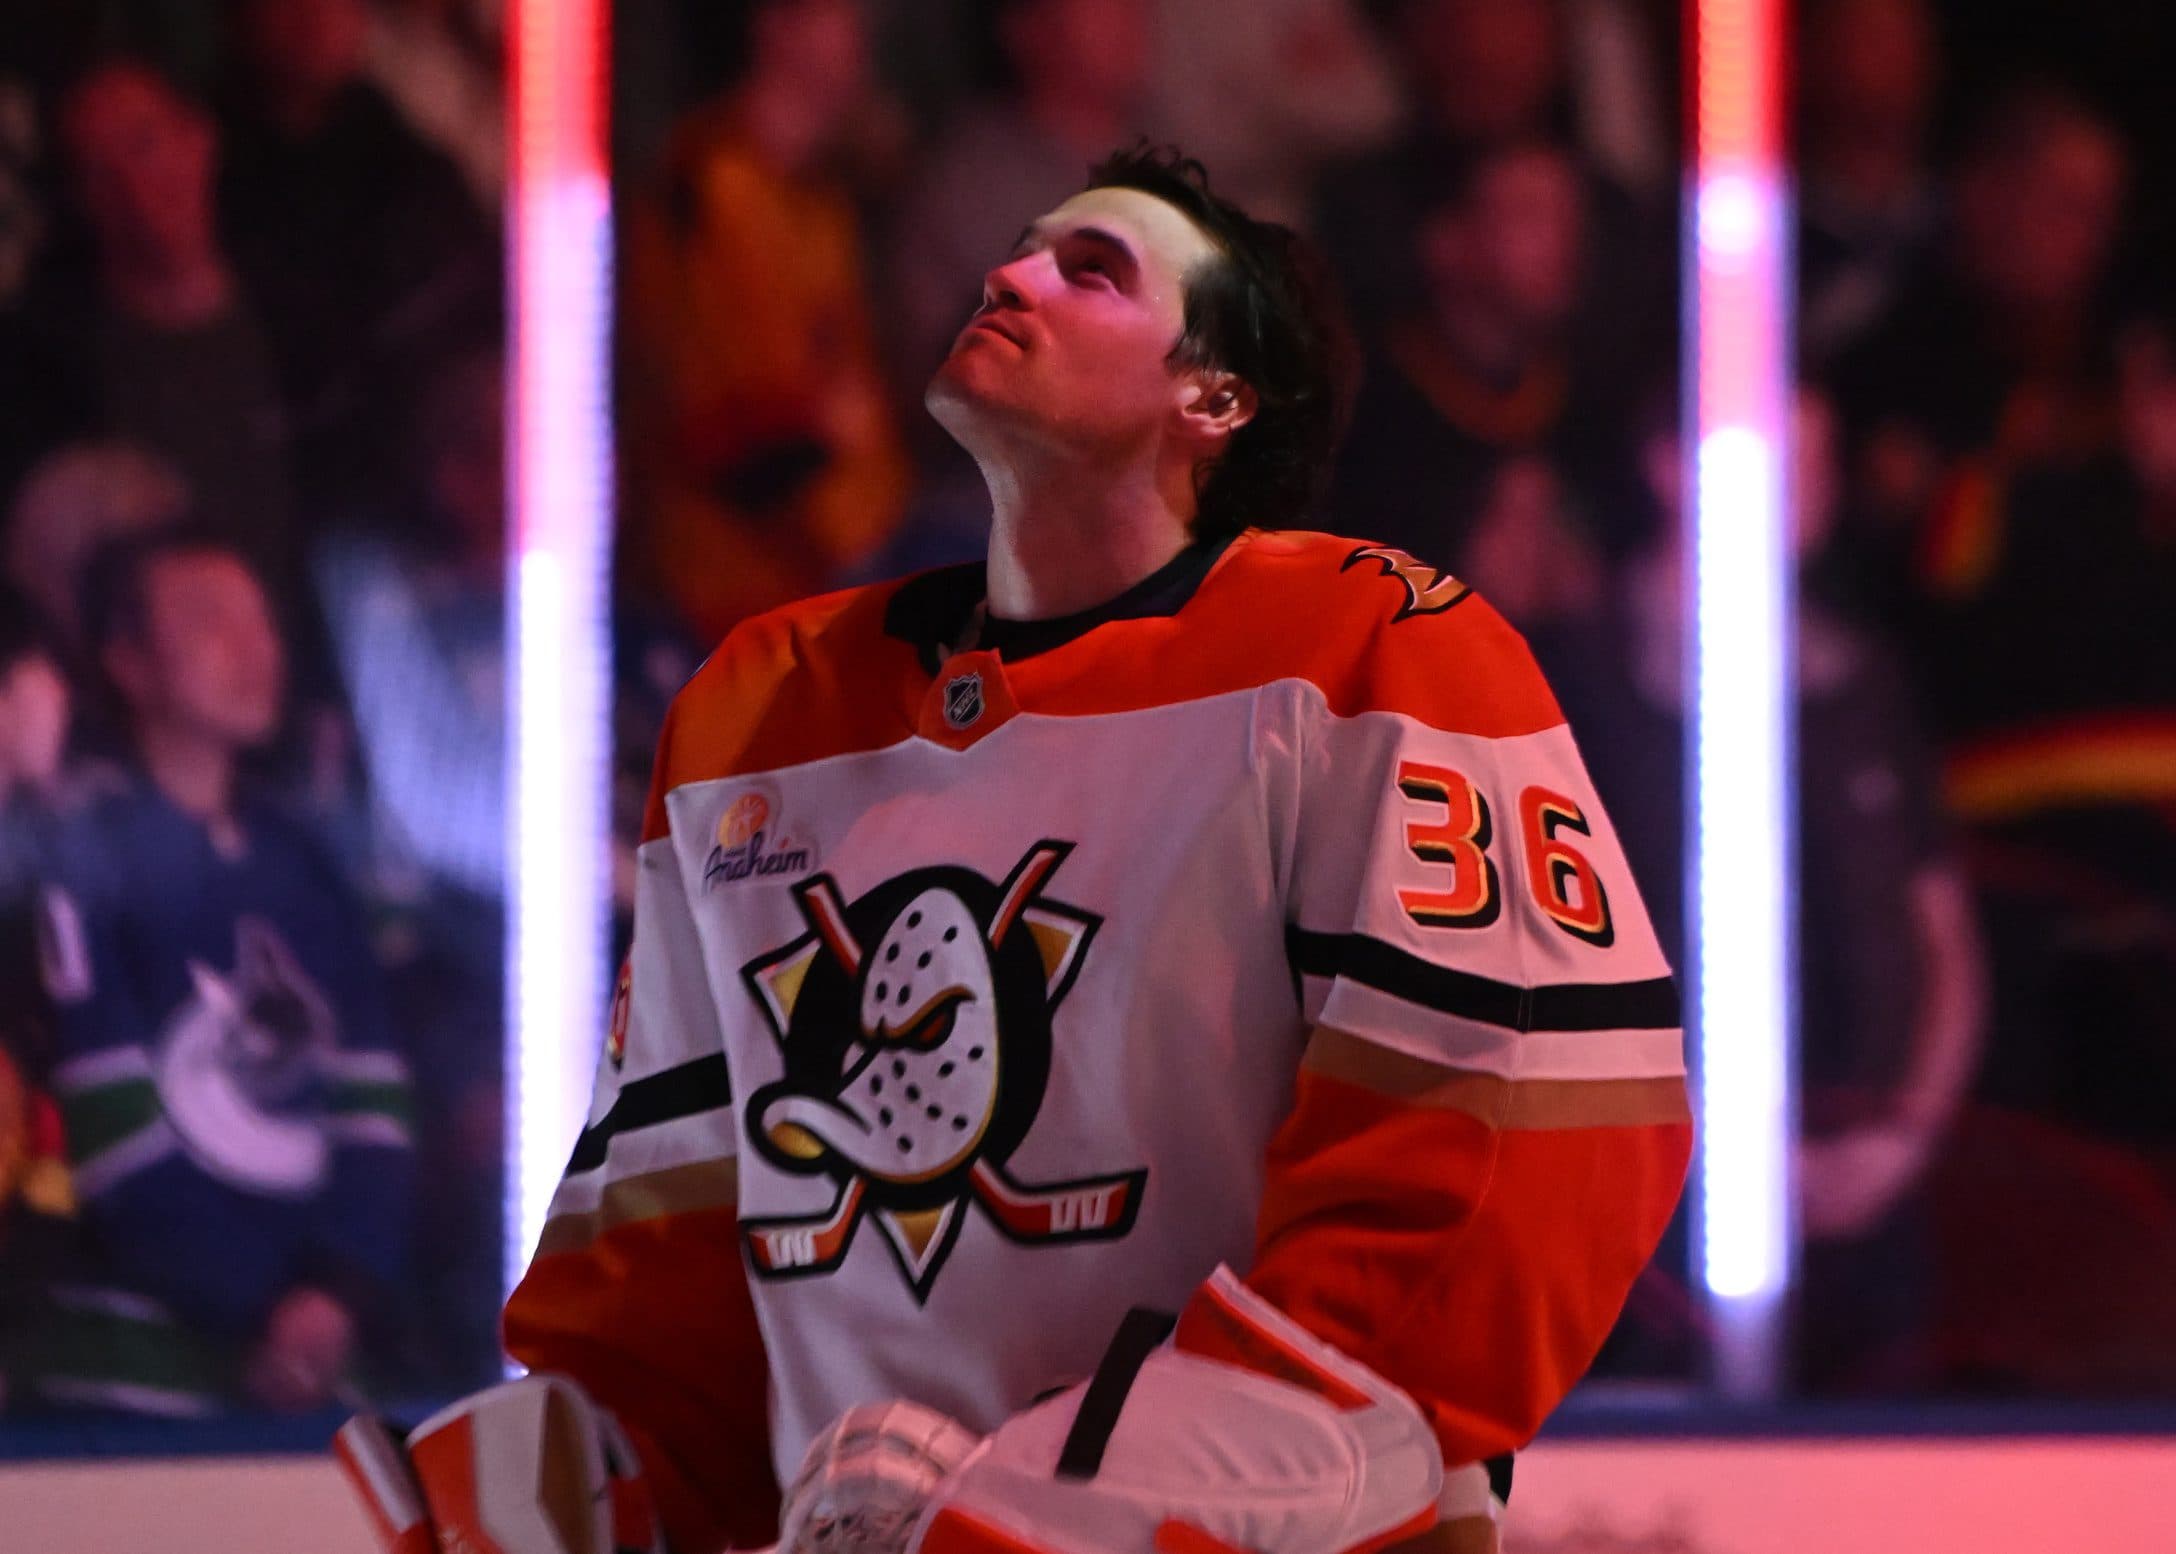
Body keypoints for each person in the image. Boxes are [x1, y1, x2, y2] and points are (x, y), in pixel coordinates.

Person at [341, 147, 1688, 1554]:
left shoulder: (1379, 656)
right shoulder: (761, 711)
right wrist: (576, 1487)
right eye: (1023, 247)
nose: (1010, 272)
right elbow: (673, 1275)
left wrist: (1076, 1510)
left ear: (1213, 395)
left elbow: (1510, 1178)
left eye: (1090, 267)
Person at [33, 529, 415, 1414]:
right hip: (129, 1375)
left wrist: (334, 1294)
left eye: (263, 624)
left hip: (312, 1373)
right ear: (129, 662)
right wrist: (263, 1314)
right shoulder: (83, 848)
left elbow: (373, 1106)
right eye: (211, 623)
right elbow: (110, 1127)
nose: (256, 650)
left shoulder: (308, 860)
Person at [617, 0, 912, 644]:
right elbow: (744, 448)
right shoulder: (713, 189)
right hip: (741, 610)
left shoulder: (820, 193)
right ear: (776, 27)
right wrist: (872, 566)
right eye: (842, 16)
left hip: (839, 584)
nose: (862, 36)